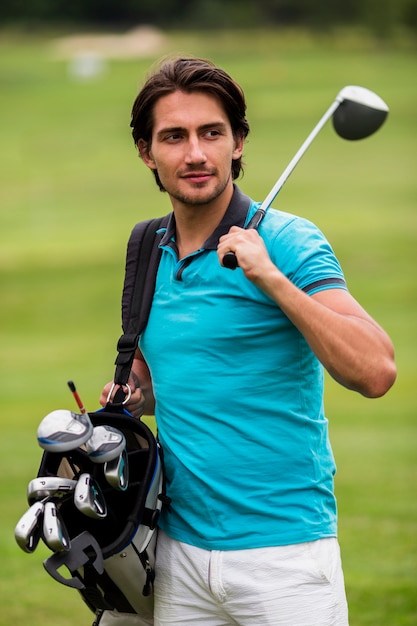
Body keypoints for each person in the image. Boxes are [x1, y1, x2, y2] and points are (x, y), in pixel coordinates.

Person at [100, 57, 396, 626]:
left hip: (284, 557)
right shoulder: (145, 247)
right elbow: (153, 372)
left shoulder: (287, 241)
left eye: (213, 133)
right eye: (174, 137)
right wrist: (132, 393)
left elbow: (376, 369)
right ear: (146, 152)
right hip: (177, 553)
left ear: (238, 142)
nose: (195, 154)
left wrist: (272, 279)